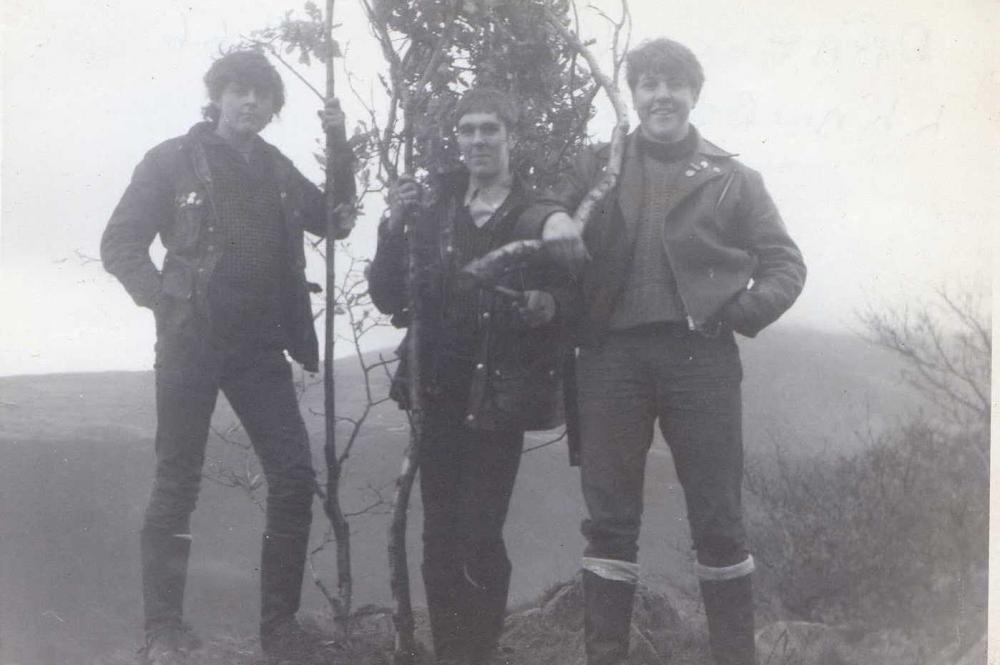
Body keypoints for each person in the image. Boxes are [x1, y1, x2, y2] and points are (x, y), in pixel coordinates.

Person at [526, 38, 807, 665]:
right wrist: (553, 220)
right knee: (609, 520)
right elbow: (543, 206)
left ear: (693, 94)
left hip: (699, 360)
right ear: (633, 95)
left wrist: (741, 310)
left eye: (674, 84)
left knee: (719, 518)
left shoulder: (733, 177)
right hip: (610, 360)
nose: (661, 96)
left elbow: (786, 263)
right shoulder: (598, 167)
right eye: (649, 84)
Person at [100, 50, 356, 665]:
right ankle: (163, 631)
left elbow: (336, 221)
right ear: (216, 96)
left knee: (294, 477)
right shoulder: (171, 160)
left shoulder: (275, 168)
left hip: (259, 346)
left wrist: (339, 143)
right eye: (238, 91)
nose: (249, 103)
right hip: (191, 341)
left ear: (272, 108)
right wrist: (165, 303)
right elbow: (119, 243)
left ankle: (280, 631)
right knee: (177, 482)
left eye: (261, 95)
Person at [368, 87, 578, 665]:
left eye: (490, 128)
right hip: (436, 387)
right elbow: (389, 294)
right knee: (439, 536)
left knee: (480, 533)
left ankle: (478, 651)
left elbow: (575, 291)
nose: (479, 139)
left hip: (498, 395)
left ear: (512, 137)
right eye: (468, 130)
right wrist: (395, 221)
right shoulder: (435, 211)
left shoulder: (532, 209)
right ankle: (450, 653)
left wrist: (548, 302)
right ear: (456, 139)